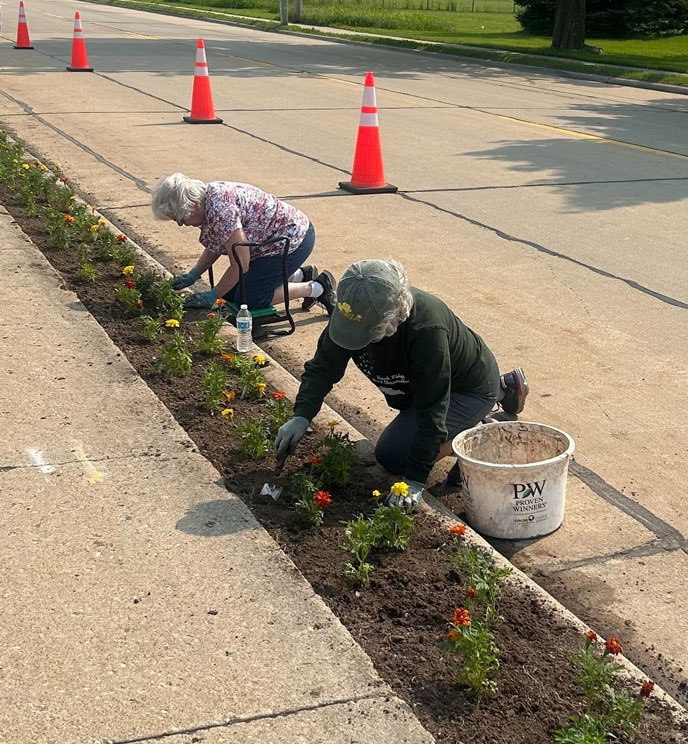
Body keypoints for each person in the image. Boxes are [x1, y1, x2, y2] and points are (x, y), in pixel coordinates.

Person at [274, 258, 528, 509]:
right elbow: (322, 369)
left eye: (367, 335)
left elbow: (434, 403)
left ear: (393, 318)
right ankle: (497, 398)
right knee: (403, 445)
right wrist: (302, 415)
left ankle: (481, 433)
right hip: (420, 390)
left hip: (466, 388)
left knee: (394, 457)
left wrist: (415, 480)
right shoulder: (355, 311)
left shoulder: (426, 329)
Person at [151, 173, 337, 314]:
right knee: (229, 294)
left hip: (293, 241)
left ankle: (317, 287)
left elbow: (241, 264)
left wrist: (212, 296)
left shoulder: (221, 210)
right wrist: (193, 274)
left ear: (194, 205)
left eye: (181, 217)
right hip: (269, 242)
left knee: (248, 299)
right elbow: (218, 243)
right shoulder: (207, 199)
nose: (180, 224)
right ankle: (300, 274)